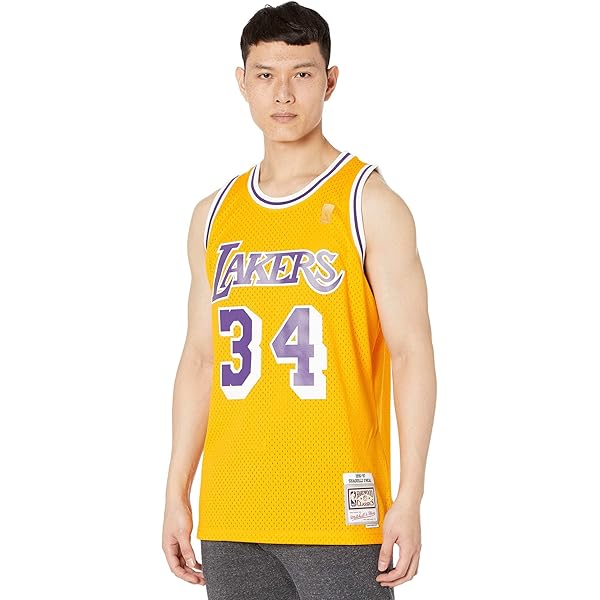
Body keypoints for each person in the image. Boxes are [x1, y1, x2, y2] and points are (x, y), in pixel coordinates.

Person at [162, 2, 436, 598]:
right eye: (265, 75)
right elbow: (200, 360)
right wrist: (176, 490)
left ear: (330, 81)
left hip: (339, 511)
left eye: (302, 74)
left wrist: (410, 495)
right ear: (243, 82)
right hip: (231, 512)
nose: (283, 93)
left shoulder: (370, 203)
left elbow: (412, 353)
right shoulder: (214, 214)